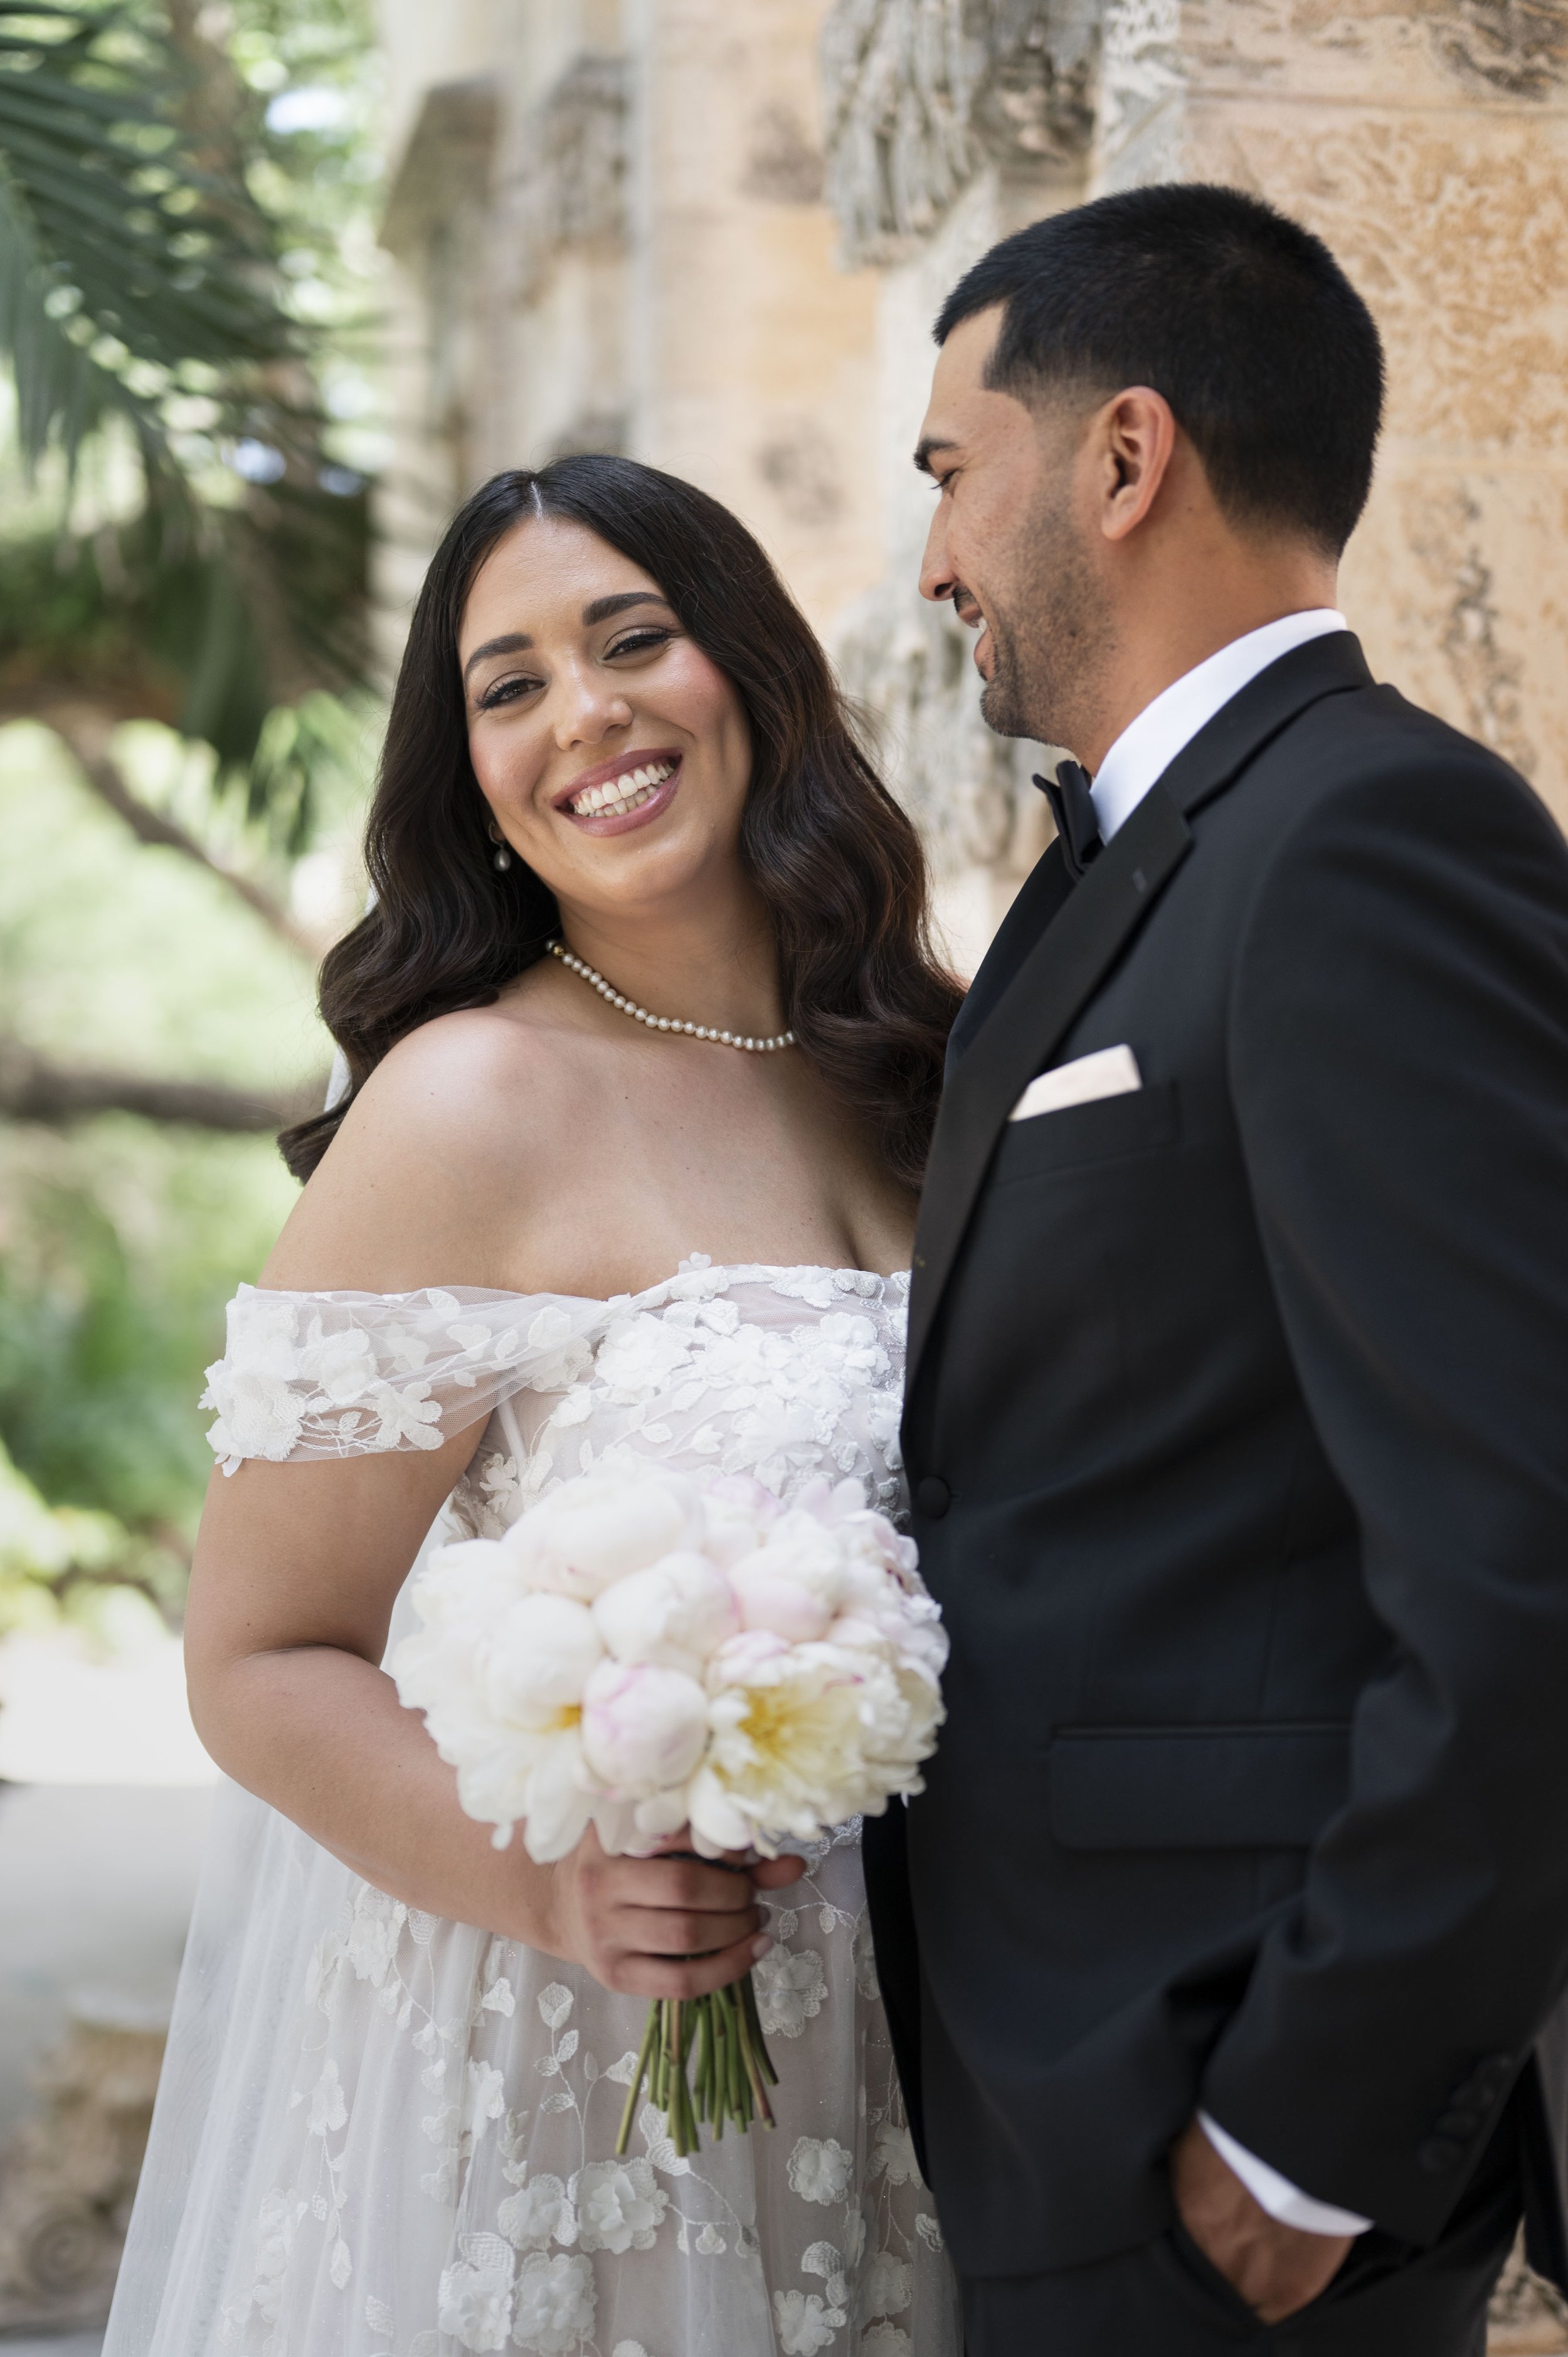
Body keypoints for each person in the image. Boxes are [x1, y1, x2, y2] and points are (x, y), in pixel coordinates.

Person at [103, 456, 965, 2357]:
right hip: (579, 2058)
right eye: (507, 686)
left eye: (632, 640)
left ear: (748, 668)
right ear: (471, 772)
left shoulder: (929, 1072)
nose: (583, 713)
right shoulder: (467, 1105)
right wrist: (558, 1889)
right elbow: (262, 1654)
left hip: (917, 2056)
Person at [862, 182, 1568, 2354]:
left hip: (1222, 2129)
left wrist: (1303, 2134)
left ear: (1124, 455)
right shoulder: (1142, 862)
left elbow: (1527, 1543)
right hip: (1062, 2101)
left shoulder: (1361, 841)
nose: (931, 562)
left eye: (948, 473)